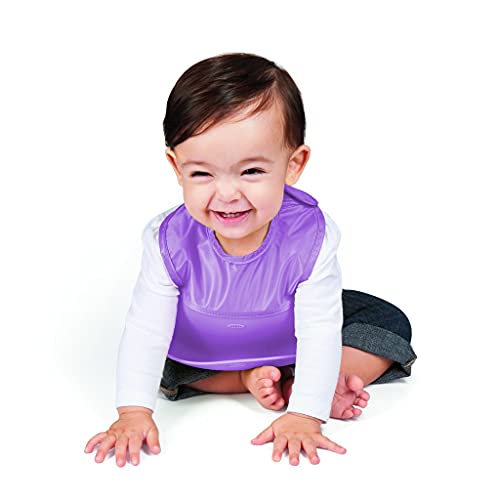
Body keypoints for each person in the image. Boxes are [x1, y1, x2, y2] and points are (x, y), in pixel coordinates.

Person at [84, 52, 417, 467]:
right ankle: (249, 376)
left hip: (290, 331)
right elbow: (147, 328)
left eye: (252, 172)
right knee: (164, 365)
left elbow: (318, 326)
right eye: (202, 174)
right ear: (176, 167)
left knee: (385, 320)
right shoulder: (168, 239)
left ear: (293, 165)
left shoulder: (311, 235)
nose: (227, 194)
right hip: (207, 344)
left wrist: (305, 414)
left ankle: (315, 383)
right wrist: (133, 412)